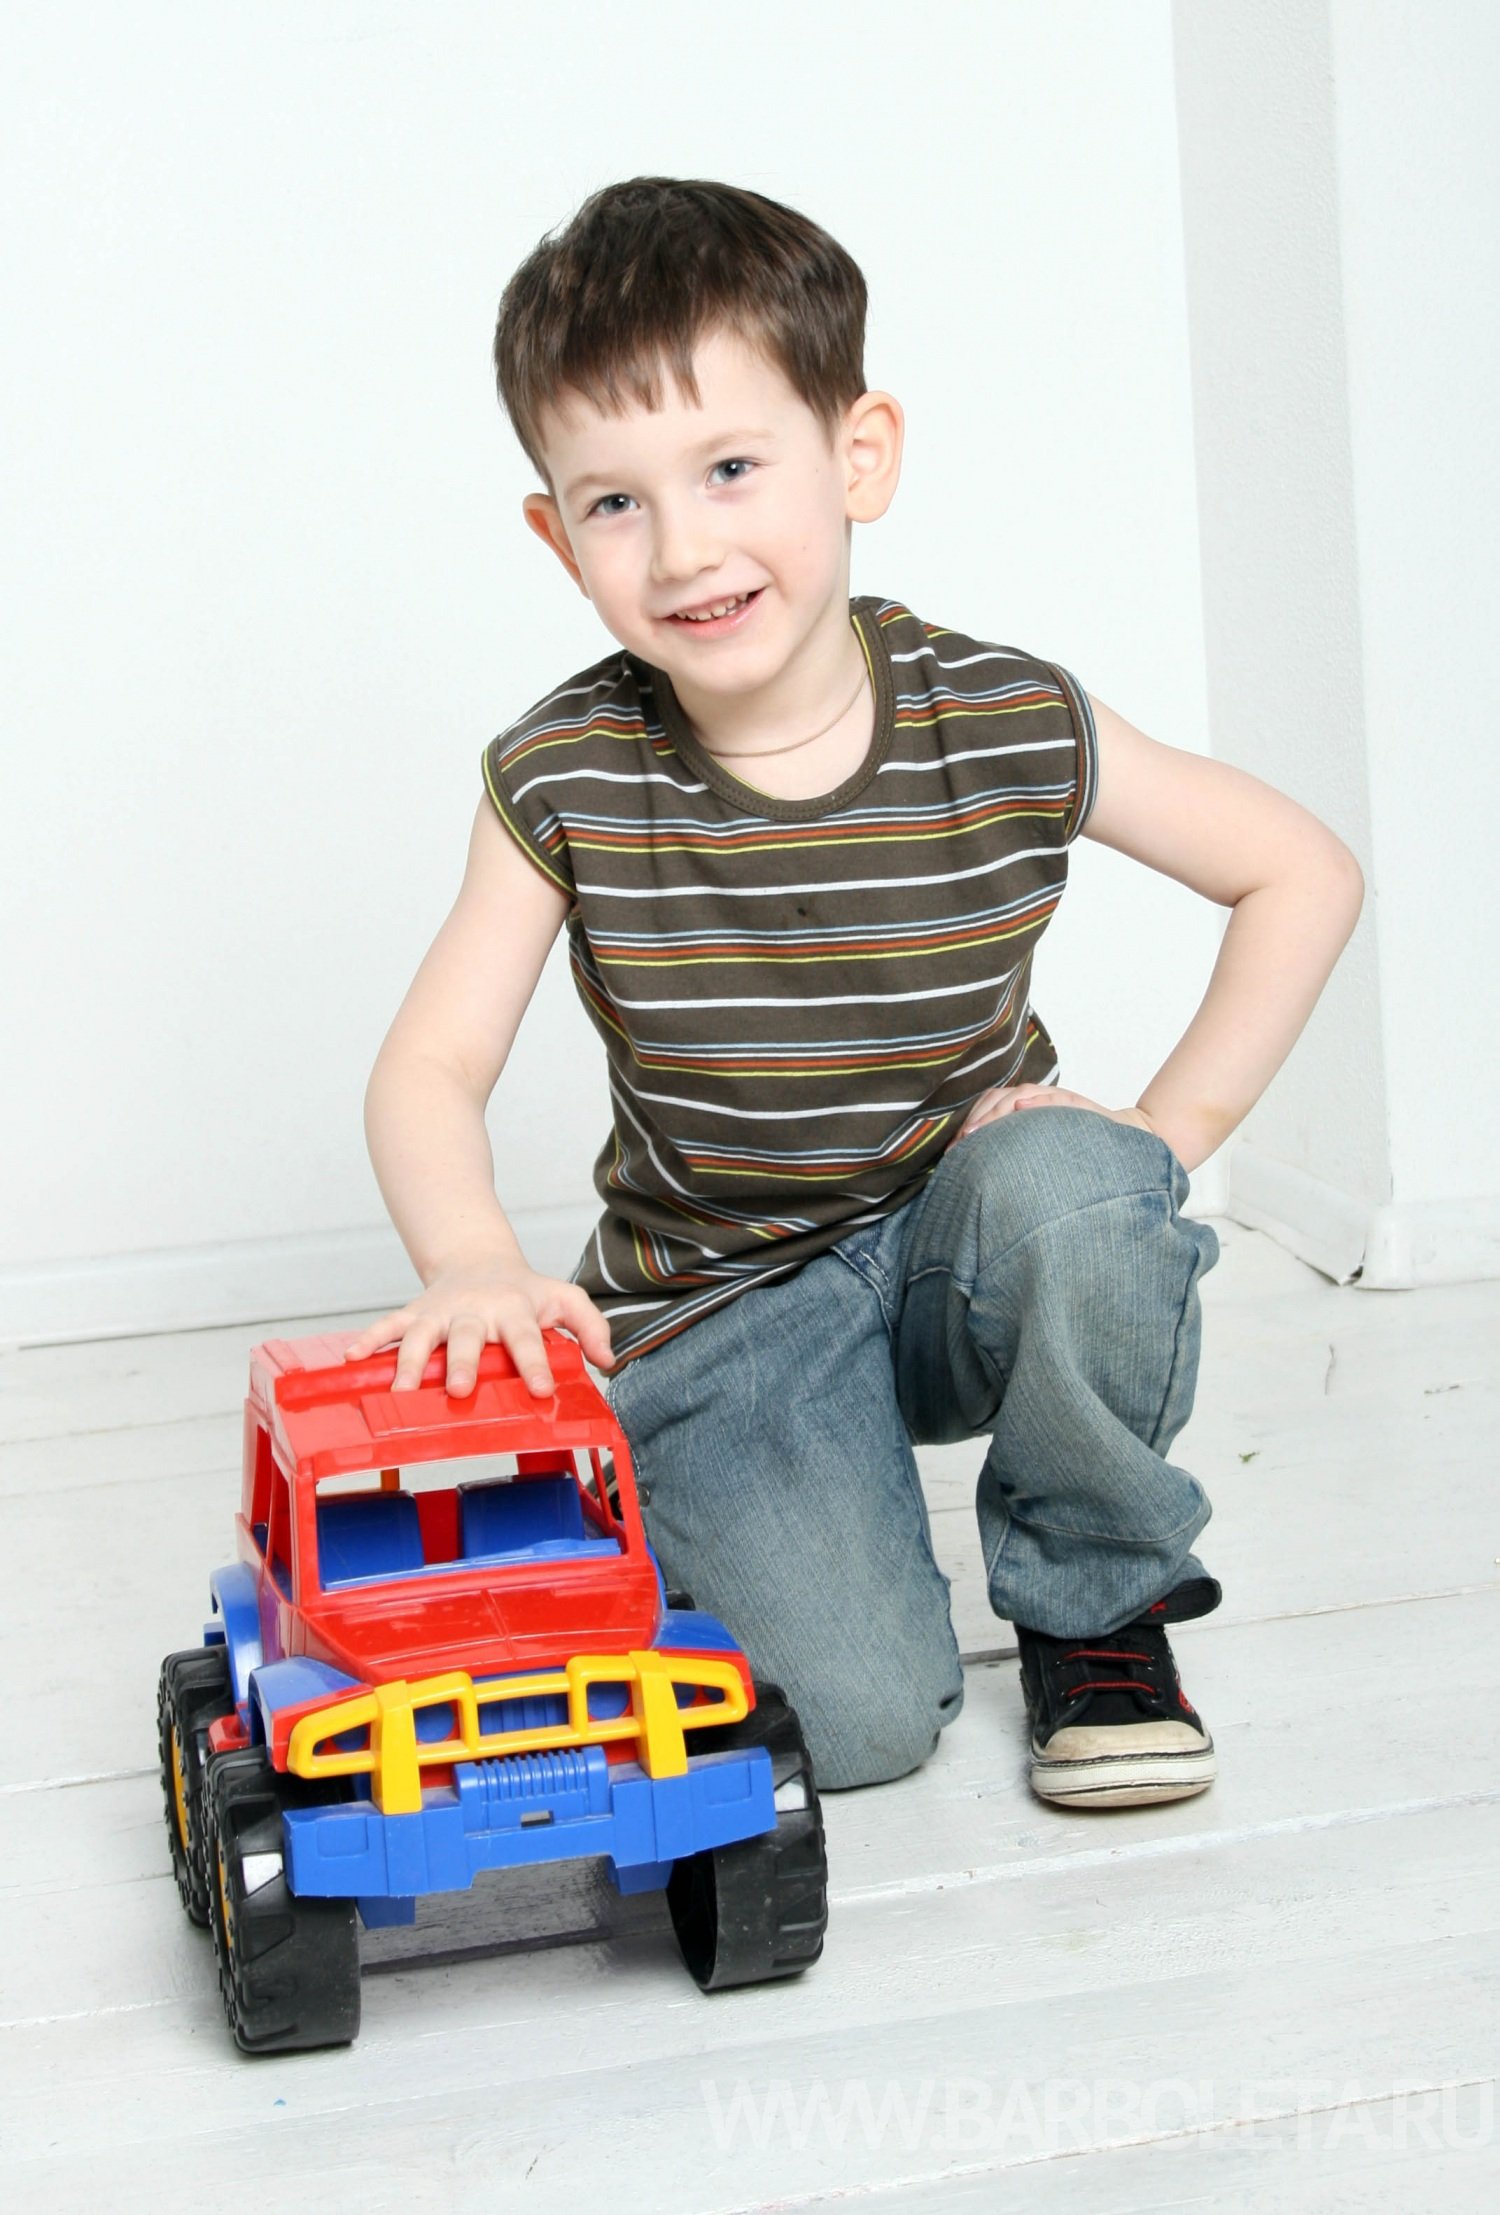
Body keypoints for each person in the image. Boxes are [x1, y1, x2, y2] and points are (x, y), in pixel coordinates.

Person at [344, 177, 1364, 1810]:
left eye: (731, 469)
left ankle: (1097, 1609)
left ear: (858, 455)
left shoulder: (999, 714)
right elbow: (430, 1064)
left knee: (1084, 1181)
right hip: (730, 1305)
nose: (685, 548)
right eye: (615, 503)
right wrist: (470, 1257)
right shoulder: (567, 775)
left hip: (957, 1251)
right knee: (859, 1725)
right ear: (556, 537)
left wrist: (1159, 1144)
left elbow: (1299, 870)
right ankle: (734, 1509)